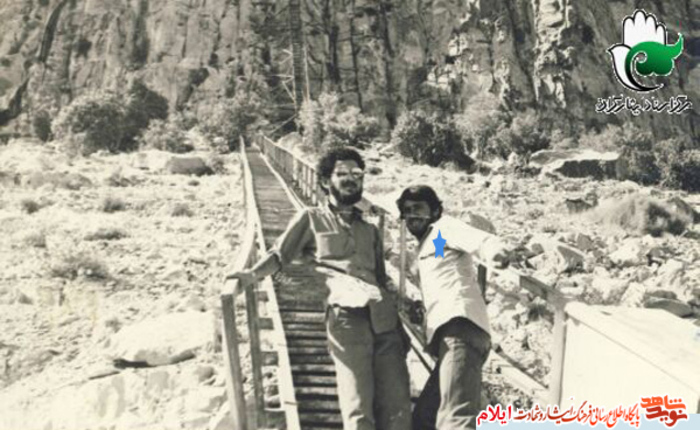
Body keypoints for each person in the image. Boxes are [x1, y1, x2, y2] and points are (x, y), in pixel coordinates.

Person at [227, 147, 412, 430]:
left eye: (357, 174)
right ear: (325, 181)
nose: (351, 179)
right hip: (346, 318)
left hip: (385, 321)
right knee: (358, 406)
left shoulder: (370, 229)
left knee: (398, 409)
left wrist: (404, 312)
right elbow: (279, 255)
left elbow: (381, 277)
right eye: (342, 173)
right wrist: (250, 275)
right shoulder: (311, 218)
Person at [396, 185, 510, 430]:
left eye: (418, 208)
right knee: (425, 418)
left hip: (460, 329)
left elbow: (481, 240)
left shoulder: (444, 227)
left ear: (435, 211)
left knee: (456, 419)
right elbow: (443, 263)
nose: (412, 215)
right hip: (449, 335)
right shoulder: (434, 242)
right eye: (407, 211)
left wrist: (497, 254)